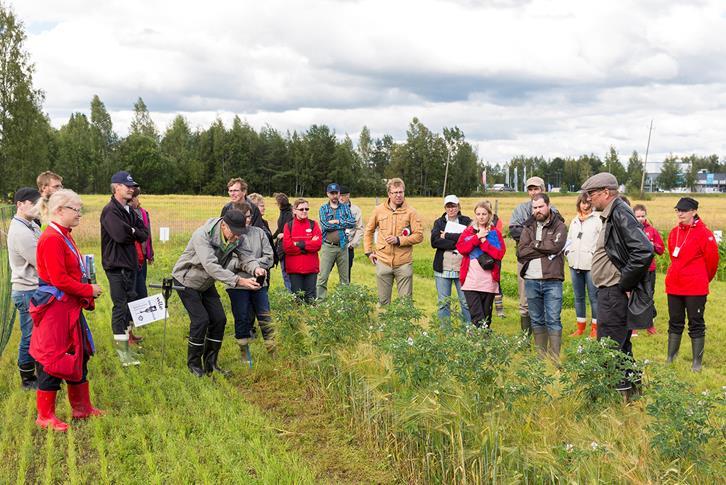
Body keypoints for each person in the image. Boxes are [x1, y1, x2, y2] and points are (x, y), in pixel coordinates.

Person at [29, 189, 104, 431]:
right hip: (56, 311)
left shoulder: (64, 235)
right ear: (59, 211)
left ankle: (82, 408)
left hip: (68, 308)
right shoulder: (51, 238)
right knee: (53, 357)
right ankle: (45, 415)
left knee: (79, 352)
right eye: (76, 209)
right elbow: (59, 279)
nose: (80, 214)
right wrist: (87, 290)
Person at [582, 173, 653, 394]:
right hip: (611, 291)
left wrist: (624, 284)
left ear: (606, 193)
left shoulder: (620, 213)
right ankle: (633, 394)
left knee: (610, 346)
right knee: (622, 346)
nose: (588, 199)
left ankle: (617, 397)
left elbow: (644, 250)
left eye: (591, 194)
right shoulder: (613, 213)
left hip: (614, 291)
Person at [172, 210, 261, 377]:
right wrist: (238, 281)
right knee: (201, 321)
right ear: (224, 225)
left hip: (206, 282)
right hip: (187, 280)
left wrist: (255, 268)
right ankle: (194, 366)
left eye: (240, 233)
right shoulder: (202, 235)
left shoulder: (237, 235)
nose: (237, 237)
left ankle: (211, 364)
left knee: (219, 319)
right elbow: (210, 266)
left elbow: (246, 257)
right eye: (234, 233)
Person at [664, 197, 719, 372]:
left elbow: (712, 262)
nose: (680, 213)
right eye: (678, 210)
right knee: (675, 321)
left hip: (695, 287)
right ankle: (671, 357)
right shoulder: (674, 232)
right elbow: (673, 256)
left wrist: (702, 279)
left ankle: (696, 362)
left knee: (695, 322)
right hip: (674, 286)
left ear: (694, 211)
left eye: (684, 210)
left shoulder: (705, 233)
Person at [100, 171, 148, 366]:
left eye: (132, 186)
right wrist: (133, 232)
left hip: (129, 265)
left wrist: (133, 231)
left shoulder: (128, 210)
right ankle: (123, 355)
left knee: (130, 304)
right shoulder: (110, 210)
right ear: (116, 187)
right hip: (116, 266)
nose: (131, 189)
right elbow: (120, 236)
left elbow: (144, 233)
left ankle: (127, 349)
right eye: (127, 186)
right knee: (120, 307)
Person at [516, 193, 567, 359]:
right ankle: (541, 355)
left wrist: (535, 244)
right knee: (536, 319)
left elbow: (556, 246)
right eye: (534, 207)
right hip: (531, 279)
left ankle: (554, 356)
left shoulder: (559, 225)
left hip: (552, 279)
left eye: (540, 206)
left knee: (553, 318)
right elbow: (521, 252)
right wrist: (544, 250)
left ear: (548, 205)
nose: (537, 210)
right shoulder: (528, 227)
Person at [225, 202, 275, 360]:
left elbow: (270, 259)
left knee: (265, 316)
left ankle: (272, 350)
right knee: (242, 317)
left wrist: (251, 265)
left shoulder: (259, 233)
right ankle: (244, 353)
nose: (248, 220)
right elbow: (228, 264)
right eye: (245, 217)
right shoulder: (231, 235)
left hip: (259, 284)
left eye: (250, 216)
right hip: (238, 285)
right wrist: (248, 265)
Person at [508, 176, 557, 335]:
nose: (533, 192)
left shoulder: (553, 210)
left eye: (536, 189)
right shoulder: (520, 209)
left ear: (543, 190)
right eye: (530, 189)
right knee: (525, 298)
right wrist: (536, 235)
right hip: (525, 260)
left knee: (546, 297)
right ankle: (526, 335)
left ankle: (544, 334)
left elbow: (555, 235)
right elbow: (514, 232)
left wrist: (528, 233)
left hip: (547, 261)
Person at [363, 178, 423, 305]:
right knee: (383, 302)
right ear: (389, 194)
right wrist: (368, 252)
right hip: (383, 262)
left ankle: (404, 325)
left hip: (403, 263)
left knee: (405, 304)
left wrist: (399, 240)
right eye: (395, 192)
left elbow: (419, 236)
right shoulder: (378, 210)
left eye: (401, 192)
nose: (398, 195)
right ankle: (383, 324)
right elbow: (368, 231)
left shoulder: (411, 212)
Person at [7, 188, 42, 390]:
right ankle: (27, 378)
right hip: (26, 290)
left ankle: (38, 369)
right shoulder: (20, 231)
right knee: (29, 335)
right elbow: (40, 261)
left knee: (36, 334)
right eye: (33, 204)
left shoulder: (30, 226)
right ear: (20, 204)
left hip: (32, 288)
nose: (38, 208)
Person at [456, 200, 506, 329]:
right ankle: (477, 344)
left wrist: (484, 241)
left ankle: (484, 345)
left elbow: (499, 254)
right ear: (475, 215)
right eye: (478, 214)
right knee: (477, 317)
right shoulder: (468, 232)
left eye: (484, 214)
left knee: (486, 318)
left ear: (489, 215)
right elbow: (462, 248)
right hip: (471, 280)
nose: (481, 217)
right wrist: (476, 237)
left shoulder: (495, 234)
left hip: (489, 281)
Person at [565, 192, 602, 338]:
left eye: (588, 203)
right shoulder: (574, 220)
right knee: (578, 297)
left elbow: (601, 242)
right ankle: (580, 327)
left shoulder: (597, 220)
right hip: (575, 264)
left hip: (590, 265)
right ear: (579, 203)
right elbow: (569, 239)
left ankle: (595, 328)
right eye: (582, 202)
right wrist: (568, 253)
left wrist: (594, 256)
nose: (585, 206)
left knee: (594, 297)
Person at [431, 195, 472, 324]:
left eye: (453, 206)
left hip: (462, 267)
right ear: (445, 208)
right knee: (443, 303)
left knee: (465, 302)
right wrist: (458, 242)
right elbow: (435, 241)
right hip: (443, 268)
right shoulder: (439, 222)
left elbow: (470, 239)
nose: (451, 209)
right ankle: (445, 331)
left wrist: (447, 237)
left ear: (459, 206)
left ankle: (468, 329)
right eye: (448, 206)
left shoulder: (467, 221)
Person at [316, 183, 356, 299]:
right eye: (332, 193)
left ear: (339, 194)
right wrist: (342, 223)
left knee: (344, 278)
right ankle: (320, 301)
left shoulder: (345, 207)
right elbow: (325, 226)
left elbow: (352, 223)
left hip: (343, 246)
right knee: (323, 276)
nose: (334, 196)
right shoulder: (323, 208)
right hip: (328, 246)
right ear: (328, 194)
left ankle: (344, 302)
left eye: (336, 193)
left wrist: (337, 222)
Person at [283, 198, 323, 303]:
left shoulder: (313, 224)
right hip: (294, 269)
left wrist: (299, 244)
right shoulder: (289, 226)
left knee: (311, 298)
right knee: (298, 298)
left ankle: (311, 318)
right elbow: (287, 247)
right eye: (301, 209)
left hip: (311, 268)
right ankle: (299, 318)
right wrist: (308, 245)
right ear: (294, 211)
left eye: (306, 209)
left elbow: (317, 244)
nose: (304, 211)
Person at [633, 204, 664, 336]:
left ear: (646, 216)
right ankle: (633, 326)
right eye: (637, 216)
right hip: (635, 269)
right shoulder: (630, 229)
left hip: (649, 269)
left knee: (649, 296)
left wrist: (652, 245)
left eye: (642, 216)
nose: (640, 219)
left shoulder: (652, 231)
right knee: (635, 297)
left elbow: (661, 249)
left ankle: (649, 324)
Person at [130, 187, 155, 301]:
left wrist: (150, 253)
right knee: (133, 289)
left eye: (136, 197)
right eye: (134, 197)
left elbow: (148, 234)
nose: (136, 200)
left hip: (142, 255)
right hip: (131, 256)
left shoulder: (144, 213)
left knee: (141, 285)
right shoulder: (125, 213)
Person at [339, 186, 364, 281]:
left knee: (346, 274)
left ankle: (345, 293)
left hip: (348, 246)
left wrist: (352, 244)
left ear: (348, 195)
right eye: (339, 195)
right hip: (333, 246)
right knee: (325, 272)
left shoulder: (356, 210)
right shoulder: (331, 208)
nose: (341, 198)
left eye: (343, 196)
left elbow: (359, 228)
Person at [273, 193, 294, 291]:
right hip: (283, 245)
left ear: (279, 203)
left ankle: (292, 295)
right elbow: (280, 228)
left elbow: (289, 230)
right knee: (286, 272)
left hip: (286, 247)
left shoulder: (289, 214)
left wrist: (283, 235)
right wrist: (272, 236)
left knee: (287, 273)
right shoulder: (285, 212)